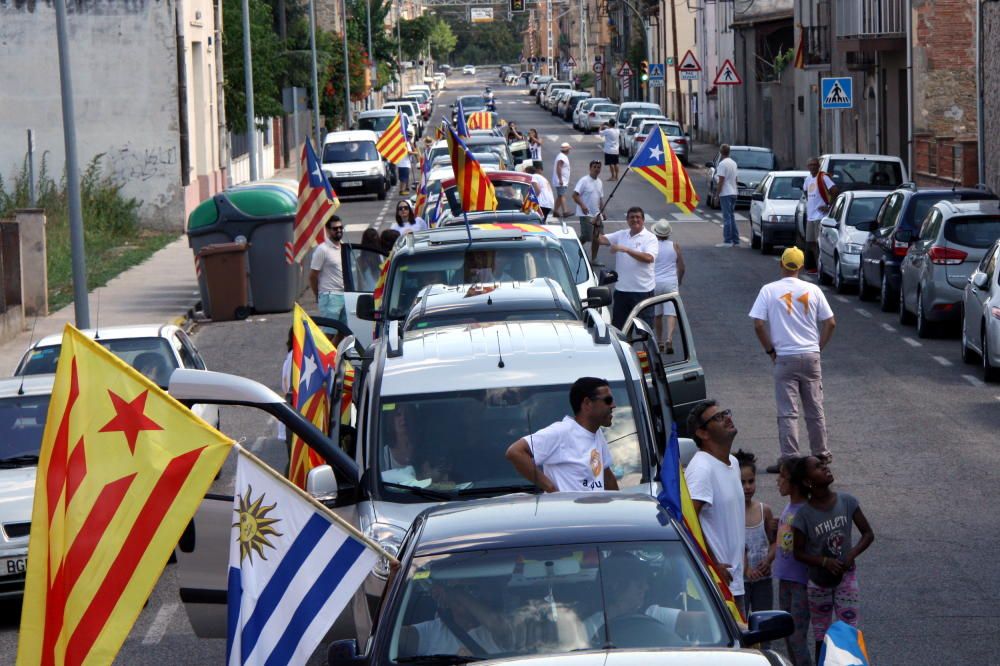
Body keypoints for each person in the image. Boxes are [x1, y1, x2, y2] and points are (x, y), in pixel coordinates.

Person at [749, 247, 836, 472]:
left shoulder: (769, 291)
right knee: (815, 409)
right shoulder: (813, 290)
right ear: (800, 267)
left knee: (788, 411)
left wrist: (770, 351)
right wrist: (818, 347)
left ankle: (790, 460)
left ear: (781, 265)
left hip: (784, 357)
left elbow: (758, 324)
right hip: (810, 355)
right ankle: (821, 456)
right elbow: (830, 322)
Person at [791, 456, 874, 663]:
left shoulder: (847, 502)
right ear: (808, 482)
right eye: (818, 467)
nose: (825, 467)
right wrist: (824, 562)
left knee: (849, 630)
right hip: (818, 583)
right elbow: (798, 552)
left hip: (846, 578)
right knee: (822, 635)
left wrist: (851, 554)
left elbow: (868, 534)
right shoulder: (804, 515)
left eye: (824, 464)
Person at [505, 377, 620, 493]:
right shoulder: (561, 432)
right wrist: (550, 488)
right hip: (565, 510)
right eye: (608, 400)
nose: (613, 405)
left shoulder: (597, 432)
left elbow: (606, 476)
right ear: (587, 403)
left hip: (597, 510)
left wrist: (618, 506)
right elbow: (515, 452)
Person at [684, 400, 746, 605]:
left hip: (735, 582)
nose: (728, 418)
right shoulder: (701, 468)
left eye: (726, 412)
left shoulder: (733, 463)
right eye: (718, 417)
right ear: (703, 433)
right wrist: (712, 565)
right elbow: (687, 523)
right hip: (717, 586)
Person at [774, 457, 814, 666]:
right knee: (787, 633)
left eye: (783, 476)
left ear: (795, 483)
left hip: (801, 582)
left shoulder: (806, 512)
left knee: (797, 636)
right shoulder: (789, 507)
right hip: (785, 579)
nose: (778, 481)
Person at [400, 579, 507, 658]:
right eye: (463, 589)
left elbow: (498, 625)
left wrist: (457, 593)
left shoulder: (496, 629)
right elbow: (391, 637)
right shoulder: (433, 631)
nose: (470, 596)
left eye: (474, 589)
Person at [596, 206, 658, 330]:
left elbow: (648, 258)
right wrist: (597, 226)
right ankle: (626, 349)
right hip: (622, 291)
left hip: (642, 291)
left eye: (638, 217)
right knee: (621, 329)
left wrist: (626, 249)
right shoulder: (621, 234)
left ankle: (645, 350)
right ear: (627, 220)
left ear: (643, 220)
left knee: (644, 331)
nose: (635, 220)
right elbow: (599, 240)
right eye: (632, 217)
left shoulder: (650, 238)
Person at [736, 450, 776, 621]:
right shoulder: (731, 514)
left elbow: (774, 542)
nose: (747, 487)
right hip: (740, 582)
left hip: (763, 579)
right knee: (742, 623)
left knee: (765, 621)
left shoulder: (764, 510)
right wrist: (746, 569)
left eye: (751, 481)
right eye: (742, 482)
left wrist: (768, 561)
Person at [651, 219, 685, 354]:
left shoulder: (652, 246)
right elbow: (682, 267)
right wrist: (679, 280)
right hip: (670, 283)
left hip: (655, 282)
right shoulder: (675, 246)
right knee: (671, 313)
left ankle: (659, 341)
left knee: (657, 314)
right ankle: (669, 338)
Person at [801, 157, 838, 272]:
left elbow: (835, 190)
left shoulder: (823, 178)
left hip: (820, 217)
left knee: (819, 244)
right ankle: (815, 267)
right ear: (808, 167)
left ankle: (822, 268)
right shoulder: (807, 180)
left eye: (814, 165)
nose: (812, 167)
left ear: (818, 166)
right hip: (810, 217)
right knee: (810, 243)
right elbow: (806, 192)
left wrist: (829, 206)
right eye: (810, 165)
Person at [309, 216, 346, 323]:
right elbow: (312, 276)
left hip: (344, 295)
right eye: (335, 228)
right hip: (330, 296)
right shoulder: (322, 250)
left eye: (340, 227)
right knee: (329, 331)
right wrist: (318, 294)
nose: (339, 230)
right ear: (328, 230)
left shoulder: (343, 246)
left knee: (344, 331)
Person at [572, 160, 604, 248]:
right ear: (590, 168)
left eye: (598, 167)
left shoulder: (600, 182)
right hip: (585, 213)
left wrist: (602, 211)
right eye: (594, 167)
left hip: (597, 214)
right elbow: (575, 195)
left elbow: (600, 198)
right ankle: (574, 249)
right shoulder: (584, 180)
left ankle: (594, 259)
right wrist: (583, 206)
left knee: (598, 237)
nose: (597, 169)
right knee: (586, 236)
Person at [714, 144, 740, 247]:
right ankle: (736, 240)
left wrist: (717, 195)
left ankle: (727, 240)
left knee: (727, 217)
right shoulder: (734, 163)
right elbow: (736, 179)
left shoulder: (722, 164)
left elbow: (721, 181)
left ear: (721, 152)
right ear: (729, 152)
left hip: (725, 193)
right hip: (734, 192)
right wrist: (735, 189)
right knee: (732, 216)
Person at [551, 142, 572, 218]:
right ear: (566, 150)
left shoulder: (562, 156)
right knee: (562, 195)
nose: (569, 150)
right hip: (561, 180)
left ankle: (555, 211)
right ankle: (565, 211)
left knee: (560, 196)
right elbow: (558, 168)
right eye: (569, 149)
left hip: (562, 180)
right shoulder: (562, 157)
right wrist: (560, 179)